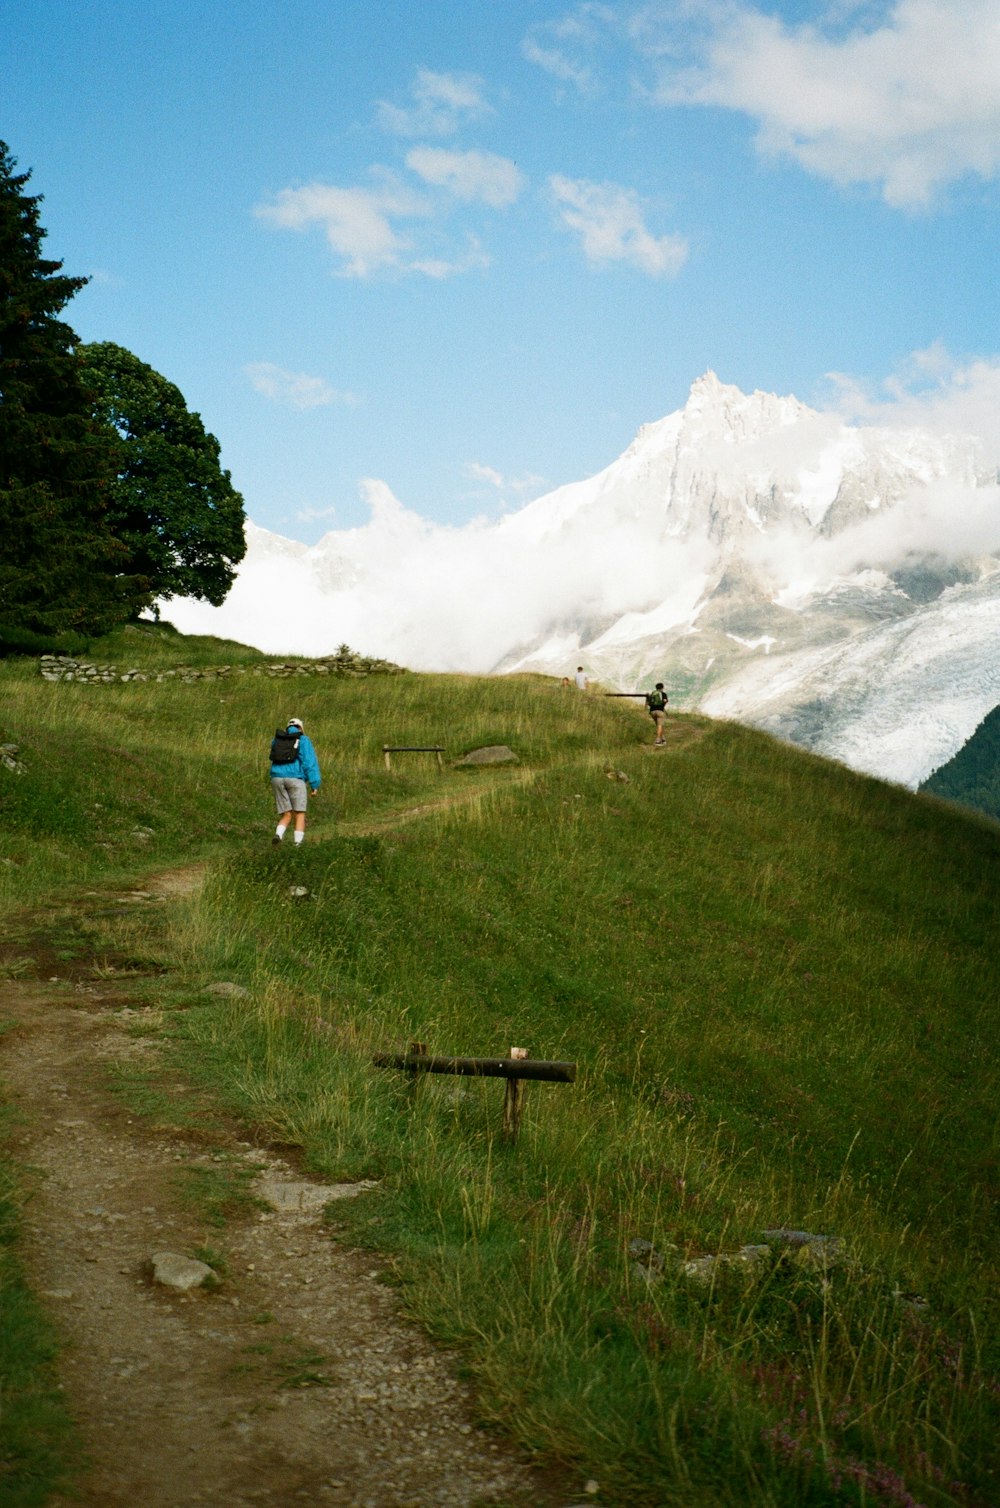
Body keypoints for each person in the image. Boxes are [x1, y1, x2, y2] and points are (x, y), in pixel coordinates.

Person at [269, 716, 321, 845]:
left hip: (276, 779)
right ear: (301, 728)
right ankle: (297, 846)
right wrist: (314, 784)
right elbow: (309, 763)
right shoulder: (303, 740)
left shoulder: (277, 740)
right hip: (295, 779)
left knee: (286, 814)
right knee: (299, 813)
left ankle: (279, 834)